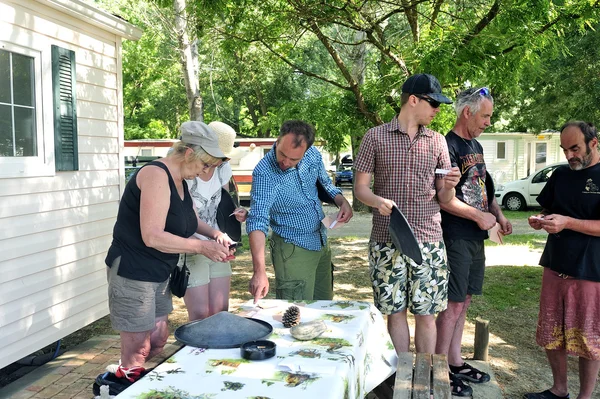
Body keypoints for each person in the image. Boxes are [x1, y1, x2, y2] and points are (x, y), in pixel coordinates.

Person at [102, 121, 234, 388]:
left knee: (159, 340)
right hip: (133, 271)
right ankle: (121, 382)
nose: (205, 172)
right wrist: (201, 247)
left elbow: (192, 221)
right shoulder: (155, 175)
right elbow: (153, 236)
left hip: (160, 272)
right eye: (205, 164)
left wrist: (215, 235)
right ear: (188, 153)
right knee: (138, 349)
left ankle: (122, 376)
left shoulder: (181, 181)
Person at [354, 73, 460, 356]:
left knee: (426, 314)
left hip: (429, 241)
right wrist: (377, 201)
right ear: (413, 100)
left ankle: (424, 377)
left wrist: (450, 186)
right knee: (395, 312)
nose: (438, 110)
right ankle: (401, 378)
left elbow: (444, 197)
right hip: (386, 240)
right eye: (433, 103)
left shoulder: (438, 142)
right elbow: (360, 189)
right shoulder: (374, 137)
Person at [434, 87, 512, 396]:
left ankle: (454, 362)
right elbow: (442, 198)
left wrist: (497, 214)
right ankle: (439, 370)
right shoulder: (445, 145)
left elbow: (482, 188)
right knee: (452, 304)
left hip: (475, 236)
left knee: (464, 300)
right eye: (486, 116)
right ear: (468, 113)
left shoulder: (475, 145)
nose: (489, 122)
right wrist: (478, 218)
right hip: (455, 235)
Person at [524, 121, 600, 399]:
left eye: (575, 148)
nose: (569, 156)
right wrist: (540, 220)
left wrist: (568, 222)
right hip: (555, 264)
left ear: (594, 142)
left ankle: (585, 397)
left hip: (591, 270)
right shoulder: (559, 175)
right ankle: (559, 390)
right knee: (551, 331)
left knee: (588, 338)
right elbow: (549, 207)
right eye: (565, 149)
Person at [247, 120, 353, 302]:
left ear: (306, 151)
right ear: (278, 139)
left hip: (320, 242)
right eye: (282, 154)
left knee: (324, 308)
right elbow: (257, 220)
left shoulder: (312, 155)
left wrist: (342, 201)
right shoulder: (264, 172)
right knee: (296, 315)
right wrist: (259, 271)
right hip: (292, 249)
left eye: (294, 159)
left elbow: (325, 184)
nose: (285, 162)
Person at [182, 121, 248, 321]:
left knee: (221, 313)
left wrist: (238, 215)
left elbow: (224, 202)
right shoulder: (187, 171)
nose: (223, 160)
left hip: (219, 244)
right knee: (200, 315)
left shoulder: (223, 168)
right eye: (221, 156)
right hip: (193, 245)